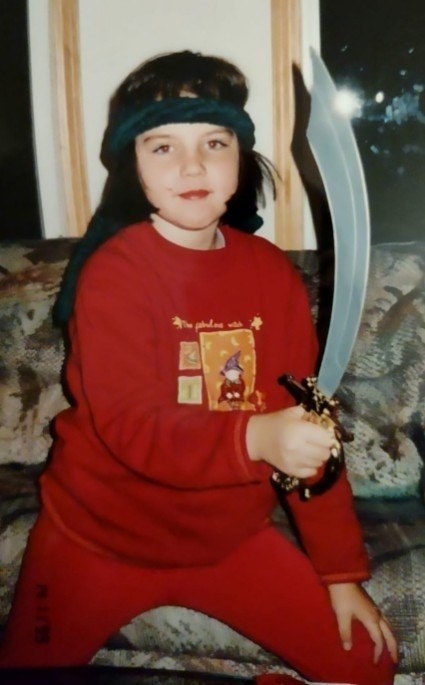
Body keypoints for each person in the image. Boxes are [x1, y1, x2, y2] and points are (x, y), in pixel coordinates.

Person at [0, 50, 398, 683]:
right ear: (132, 165)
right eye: (162, 147)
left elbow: (311, 438)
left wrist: (340, 572)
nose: (192, 165)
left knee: (368, 666)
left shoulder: (270, 276)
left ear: (240, 159)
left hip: (227, 543)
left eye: (215, 142)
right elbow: (134, 427)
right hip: (93, 542)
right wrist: (256, 436)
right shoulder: (114, 275)